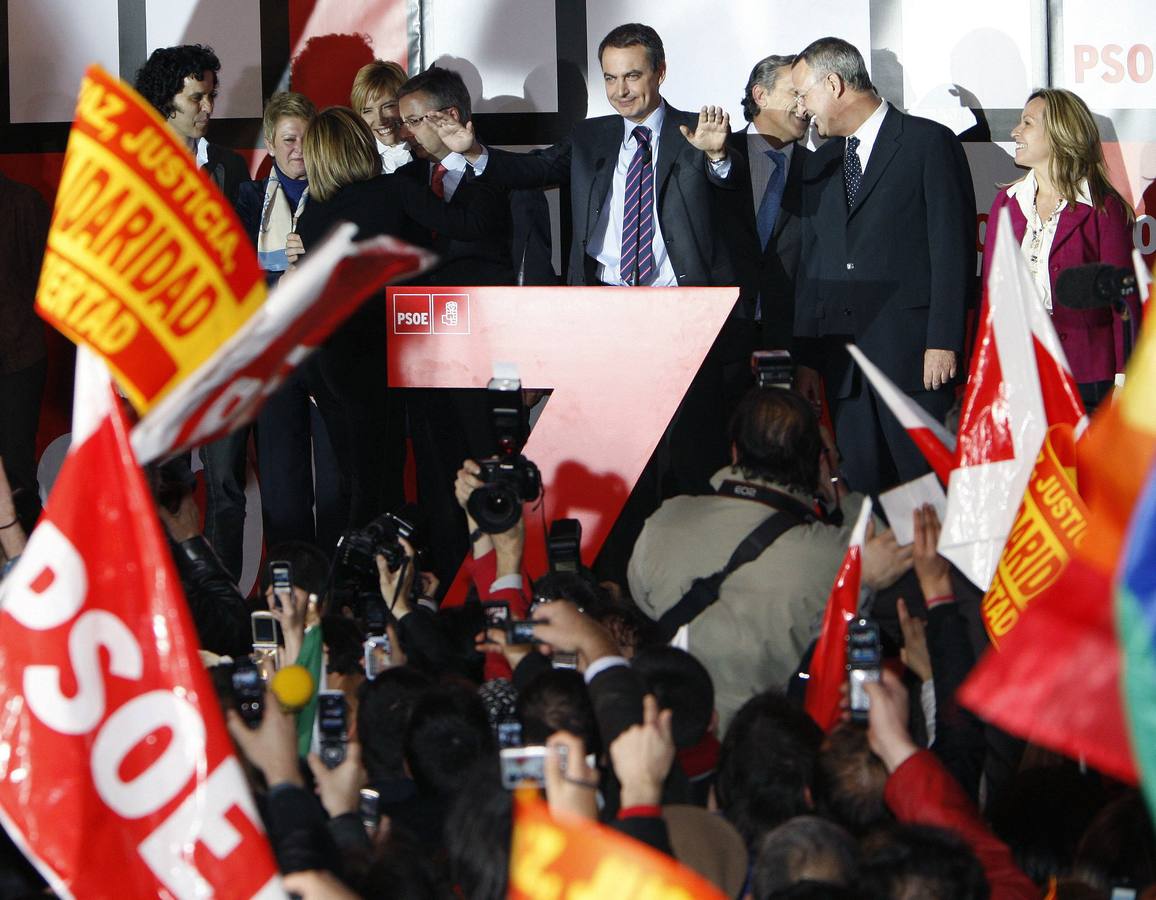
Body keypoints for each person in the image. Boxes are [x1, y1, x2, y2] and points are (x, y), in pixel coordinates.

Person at [627, 387, 911, 729]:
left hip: (676, 736)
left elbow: (643, 603)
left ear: (734, 452)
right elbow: (890, 558)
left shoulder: (665, 521)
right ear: (816, 462)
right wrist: (835, 485)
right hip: (772, 746)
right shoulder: (835, 555)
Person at [292, 107, 501, 530]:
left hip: (331, 362)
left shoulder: (312, 212)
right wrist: (477, 162)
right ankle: (377, 579)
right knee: (383, 481)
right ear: (359, 145)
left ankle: (365, 581)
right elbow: (470, 225)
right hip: (386, 355)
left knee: (360, 478)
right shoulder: (392, 192)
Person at [791, 37, 975, 497]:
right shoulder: (823, 162)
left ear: (833, 85)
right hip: (845, 368)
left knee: (928, 497)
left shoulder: (927, 143)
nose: (800, 107)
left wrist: (943, 341)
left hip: (915, 360)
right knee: (866, 504)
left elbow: (952, 249)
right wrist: (810, 359)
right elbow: (814, 260)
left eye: (804, 94)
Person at [135, 43, 253, 581]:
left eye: (211, 95)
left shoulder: (228, 166)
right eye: (196, 97)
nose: (208, 107)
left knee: (226, 484)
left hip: (225, 351)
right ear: (166, 99)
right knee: (168, 483)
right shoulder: (135, 169)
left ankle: (222, 597)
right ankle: (174, 596)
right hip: (164, 357)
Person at [234, 92, 342, 553]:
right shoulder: (250, 197)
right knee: (282, 482)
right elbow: (237, 276)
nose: (299, 148)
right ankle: (292, 586)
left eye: (307, 138)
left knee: (338, 481)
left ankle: (340, 593)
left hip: (330, 355)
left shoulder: (340, 193)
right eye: (289, 139)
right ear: (271, 143)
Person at [983, 88, 1137, 412]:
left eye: (1027, 123)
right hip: (1021, 371)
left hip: (1090, 377)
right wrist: (985, 370)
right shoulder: (1006, 204)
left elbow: (1124, 302)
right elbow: (992, 297)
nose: (1015, 132)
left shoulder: (1103, 208)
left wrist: (1127, 378)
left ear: (1059, 133)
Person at [724, 53, 811, 356]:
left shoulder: (819, 170)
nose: (805, 106)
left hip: (789, 343)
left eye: (808, 96)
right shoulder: (715, 156)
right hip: (721, 340)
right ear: (760, 95)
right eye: (796, 94)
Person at [0, 171, 50, 535]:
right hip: (21, 353)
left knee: (18, 476)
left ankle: (27, 578)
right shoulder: (25, 200)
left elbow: (46, 284)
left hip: (18, 358)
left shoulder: (25, 202)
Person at [351, 59, 413, 174]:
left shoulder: (428, 150)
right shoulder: (355, 163)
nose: (380, 120)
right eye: (368, 111)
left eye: (388, 106)